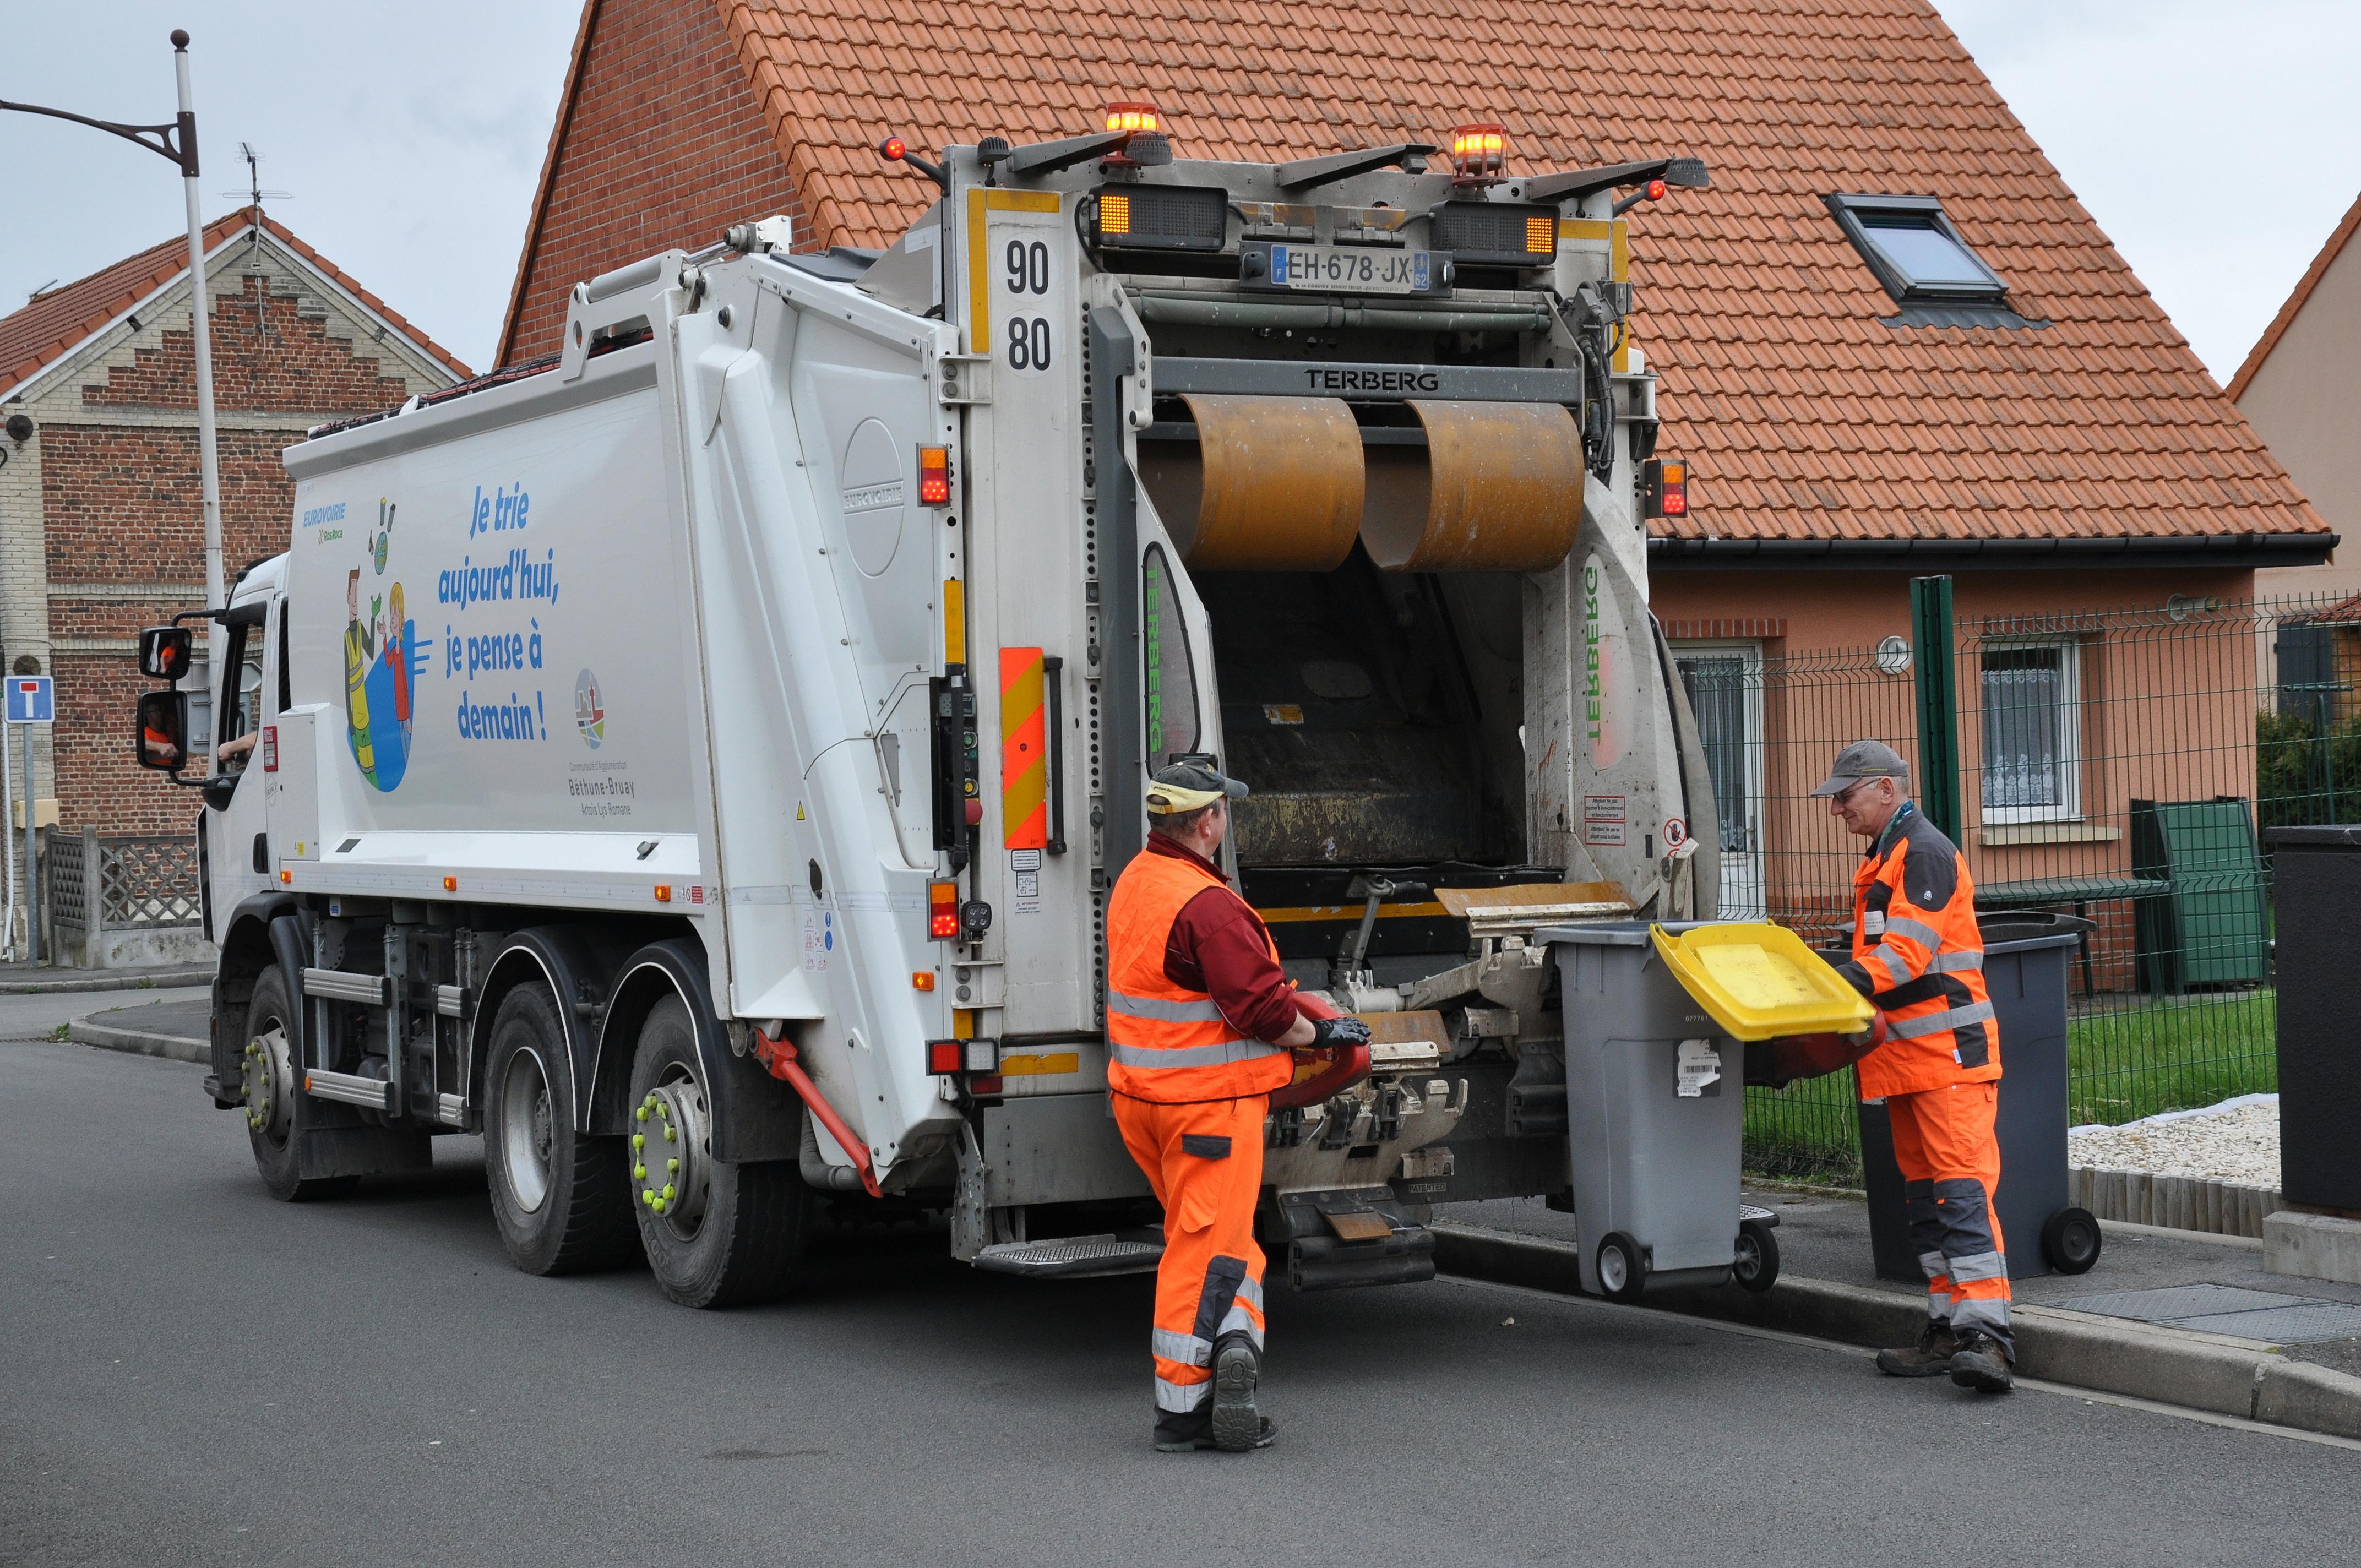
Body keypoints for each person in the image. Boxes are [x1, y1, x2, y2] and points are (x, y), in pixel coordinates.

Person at [1105, 760, 1370, 1452]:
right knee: (1203, 1252)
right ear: (1206, 821)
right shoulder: (1207, 905)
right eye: (1224, 810)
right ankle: (1185, 1408)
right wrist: (1325, 1033)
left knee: (1219, 1239)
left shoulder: (1137, 881)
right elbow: (1261, 1008)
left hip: (1145, 1101)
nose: (1226, 819)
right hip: (1209, 1112)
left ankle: (1235, 1342)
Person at [1812, 739, 2014, 1393]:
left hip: (1947, 1058)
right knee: (1928, 1201)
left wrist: (1835, 982)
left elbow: (1906, 954)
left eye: (1845, 796)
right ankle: (1946, 1327)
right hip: (1909, 1061)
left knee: (1959, 1193)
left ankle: (1988, 1337)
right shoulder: (1890, 856)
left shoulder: (1922, 852)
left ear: (1886, 790)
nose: (1837, 809)